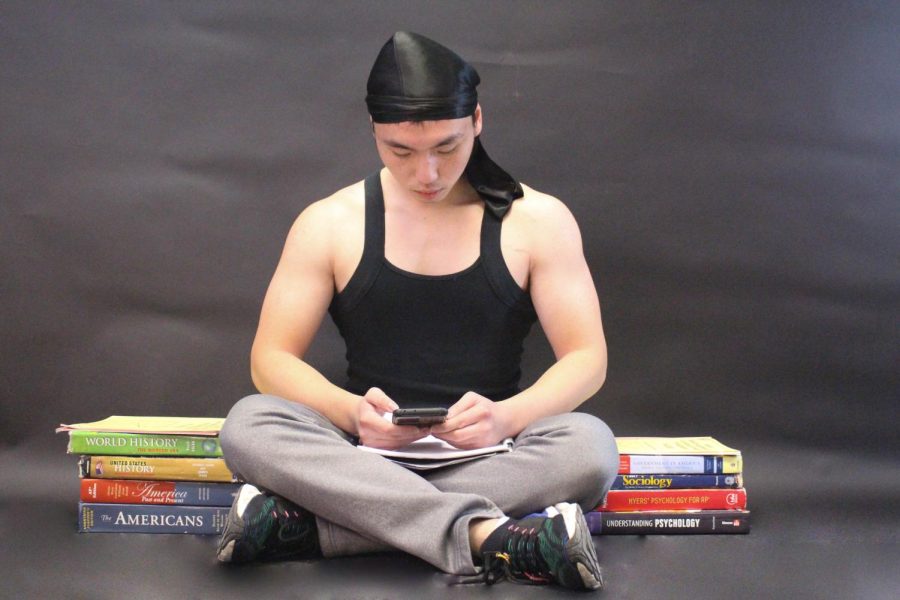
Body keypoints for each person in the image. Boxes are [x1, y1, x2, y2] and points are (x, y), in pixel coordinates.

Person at [215, 31, 619, 591]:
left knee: (590, 449)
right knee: (248, 425)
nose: (426, 174)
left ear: (477, 120)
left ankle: (317, 530)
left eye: (446, 148)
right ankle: (494, 539)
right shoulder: (330, 222)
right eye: (401, 151)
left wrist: (508, 418)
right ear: (375, 133)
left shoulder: (539, 221)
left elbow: (587, 358)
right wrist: (352, 413)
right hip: (359, 457)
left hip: (491, 454)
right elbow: (269, 360)